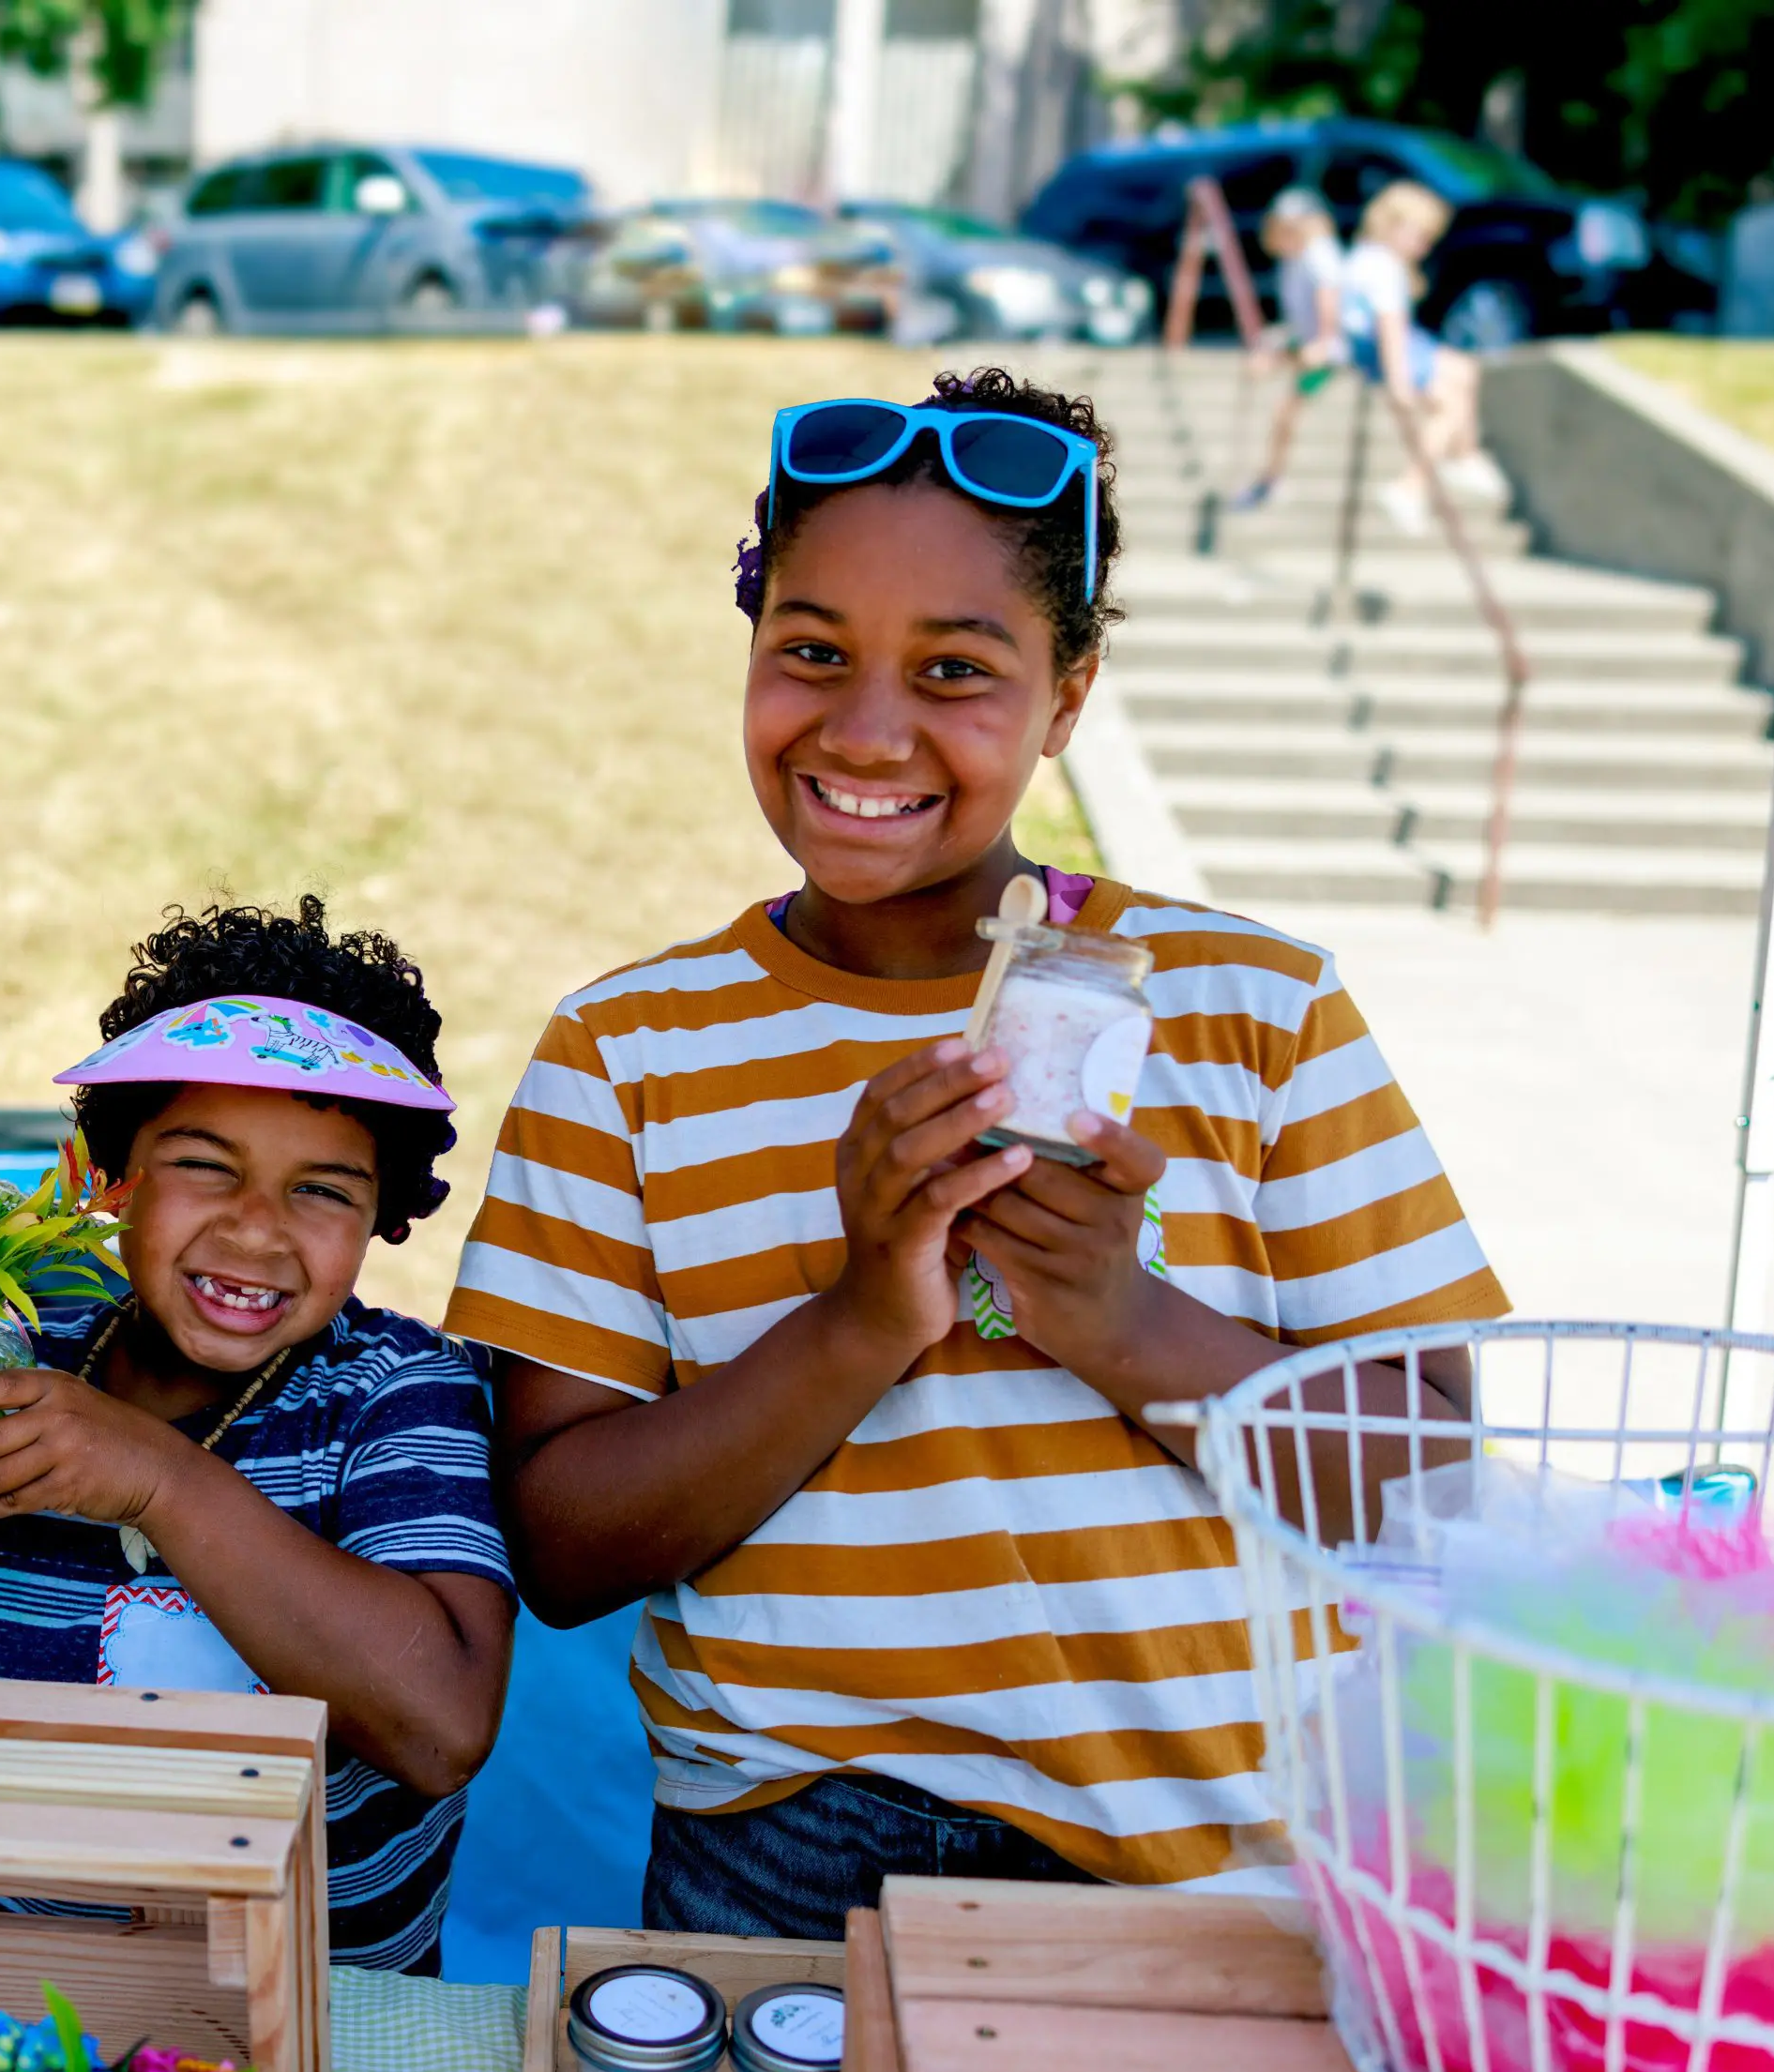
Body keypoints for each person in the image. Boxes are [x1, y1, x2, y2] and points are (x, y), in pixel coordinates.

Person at [442, 371, 1509, 1942]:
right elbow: (568, 1547)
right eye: (811, 652)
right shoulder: (630, 1049)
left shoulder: (1255, 1010)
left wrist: (1127, 1323)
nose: (867, 728)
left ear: (1069, 696)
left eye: (957, 669)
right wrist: (867, 1313)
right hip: (784, 1849)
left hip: (1221, 1856)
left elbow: (1435, 1483)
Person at [0, 900, 515, 1974]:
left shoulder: (395, 1392)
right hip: (12, 1979)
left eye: (322, 1190)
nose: (255, 1227)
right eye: (204, 1164)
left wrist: (158, 1478)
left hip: (313, 2003)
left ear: (386, 1211)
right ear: (110, 1177)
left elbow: (440, 1730)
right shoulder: (15, 1352)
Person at [1337, 182, 1503, 512]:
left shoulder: (1361, 258)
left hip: (1378, 347)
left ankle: (1464, 456)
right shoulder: (1386, 269)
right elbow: (1390, 325)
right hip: (1390, 348)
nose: (1424, 248)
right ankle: (1414, 483)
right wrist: (1399, 382)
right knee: (1450, 407)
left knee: (1463, 371)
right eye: (1420, 237)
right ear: (1393, 226)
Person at [1225, 190, 1345, 513]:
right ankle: (1268, 479)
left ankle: (1271, 480)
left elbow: (1328, 297)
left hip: (1328, 349)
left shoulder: (1319, 253)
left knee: (1285, 412)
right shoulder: (1296, 259)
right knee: (1278, 403)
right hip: (1310, 341)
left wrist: (1325, 339)